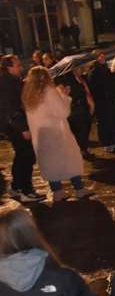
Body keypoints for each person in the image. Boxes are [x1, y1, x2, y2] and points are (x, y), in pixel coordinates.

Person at [22, 67, 94, 201]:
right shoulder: (49, 91)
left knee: (50, 163)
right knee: (69, 159)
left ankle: (57, 192)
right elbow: (63, 112)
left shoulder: (28, 94)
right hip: (56, 132)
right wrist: (64, 95)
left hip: (41, 134)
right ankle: (79, 189)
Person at [0, 55, 45, 202]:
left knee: (21, 155)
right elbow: (11, 108)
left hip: (13, 125)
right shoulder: (8, 82)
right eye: (18, 65)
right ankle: (26, 190)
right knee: (27, 156)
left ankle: (16, 187)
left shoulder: (11, 80)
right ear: (9, 67)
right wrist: (23, 128)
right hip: (16, 126)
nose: (21, 67)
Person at [87, 51, 115, 152]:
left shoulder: (105, 68)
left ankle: (113, 141)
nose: (102, 58)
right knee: (103, 123)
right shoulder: (93, 71)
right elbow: (94, 87)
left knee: (111, 121)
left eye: (103, 56)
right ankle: (106, 143)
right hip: (101, 101)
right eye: (99, 57)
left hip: (110, 100)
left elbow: (111, 81)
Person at [57, 68, 95, 157]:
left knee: (85, 130)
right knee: (80, 132)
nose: (81, 69)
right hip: (75, 109)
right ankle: (81, 150)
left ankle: (83, 149)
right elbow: (63, 94)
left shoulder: (82, 78)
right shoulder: (67, 80)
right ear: (73, 69)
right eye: (79, 68)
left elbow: (88, 92)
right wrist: (65, 91)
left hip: (84, 107)